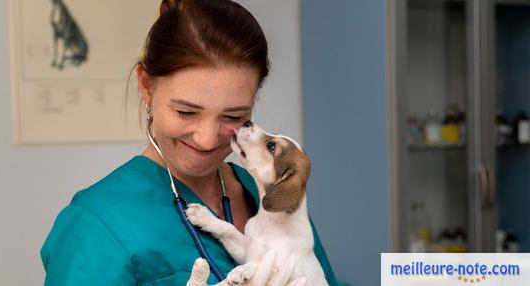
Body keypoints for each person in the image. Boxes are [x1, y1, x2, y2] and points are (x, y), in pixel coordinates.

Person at [40, 0, 339, 285]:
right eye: (186, 111)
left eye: (233, 115)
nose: (207, 139)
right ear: (146, 86)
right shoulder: (94, 225)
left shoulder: (274, 202)